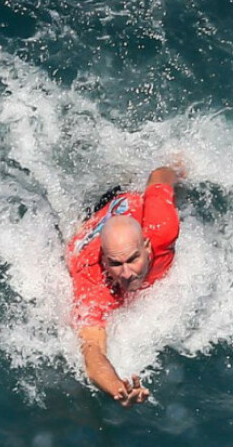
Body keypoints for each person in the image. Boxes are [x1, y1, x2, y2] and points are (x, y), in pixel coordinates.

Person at [67, 164, 184, 407]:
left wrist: (181, 169)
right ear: (104, 262)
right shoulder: (93, 282)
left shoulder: (162, 229)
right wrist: (118, 388)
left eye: (133, 259)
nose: (127, 273)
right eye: (116, 264)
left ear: (148, 248)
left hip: (128, 203)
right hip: (96, 220)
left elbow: (160, 175)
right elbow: (92, 352)